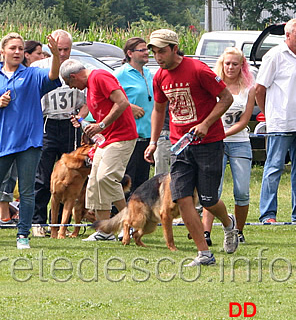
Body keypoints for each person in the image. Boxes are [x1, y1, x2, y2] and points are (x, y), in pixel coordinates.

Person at [144, 29, 238, 266]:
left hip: (208, 143)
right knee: (183, 198)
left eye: (162, 51)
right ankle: (204, 254)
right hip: (180, 145)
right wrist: (153, 141)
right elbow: (159, 109)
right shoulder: (159, 77)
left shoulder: (198, 70)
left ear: (175, 49)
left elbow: (226, 98)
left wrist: (206, 124)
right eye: (154, 52)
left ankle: (228, 223)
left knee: (207, 200)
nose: (158, 57)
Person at [0, 32, 61, 250]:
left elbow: (54, 76)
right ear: (3, 52)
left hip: (29, 142)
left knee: (27, 190)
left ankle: (23, 235)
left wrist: (55, 55)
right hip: (1, 142)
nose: (17, 52)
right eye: (12, 48)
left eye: (20, 48)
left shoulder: (33, 75)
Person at [60, 58, 138, 241]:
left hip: (122, 136)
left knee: (107, 177)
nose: (72, 88)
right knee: (95, 182)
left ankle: (131, 221)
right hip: (105, 139)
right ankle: (104, 230)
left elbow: (122, 102)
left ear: (73, 76)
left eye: (69, 83)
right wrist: (91, 128)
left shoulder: (100, 77)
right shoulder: (89, 85)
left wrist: (101, 125)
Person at [30, 30, 87, 237]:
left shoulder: (77, 69)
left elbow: (87, 101)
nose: (63, 54)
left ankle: (65, 223)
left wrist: (80, 117)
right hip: (46, 122)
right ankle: (38, 221)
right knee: (43, 175)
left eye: (66, 49)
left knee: (72, 176)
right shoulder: (39, 67)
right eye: (59, 49)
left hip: (69, 125)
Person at [202, 47, 254, 244]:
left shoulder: (249, 88)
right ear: (222, 65)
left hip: (239, 142)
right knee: (212, 189)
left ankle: (238, 230)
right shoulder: (212, 85)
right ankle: (206, 232)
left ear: (242, 66)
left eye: (235, 64)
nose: (231, 67)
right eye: (227, 63)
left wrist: (222, 133)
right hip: (214, 144)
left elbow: (244, 121)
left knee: (242, 190)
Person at [255, 18, 296, 224]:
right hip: (280, 122)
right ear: (287, 36)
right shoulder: (275, 56)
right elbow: (259, 89)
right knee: (274, 168)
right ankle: (268, 214)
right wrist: (268, 114)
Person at [114, 37, 154, 195]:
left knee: (142, 185)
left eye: (147, 50)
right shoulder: (120, 74)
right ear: (129, 53)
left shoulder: (149, 73)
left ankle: (139, 218)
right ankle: (120, 217)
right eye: (142, 50)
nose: (146, 53)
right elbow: (106, 98)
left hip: (147, 138)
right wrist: (128, 107)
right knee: (126, 184)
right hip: (129, 138)